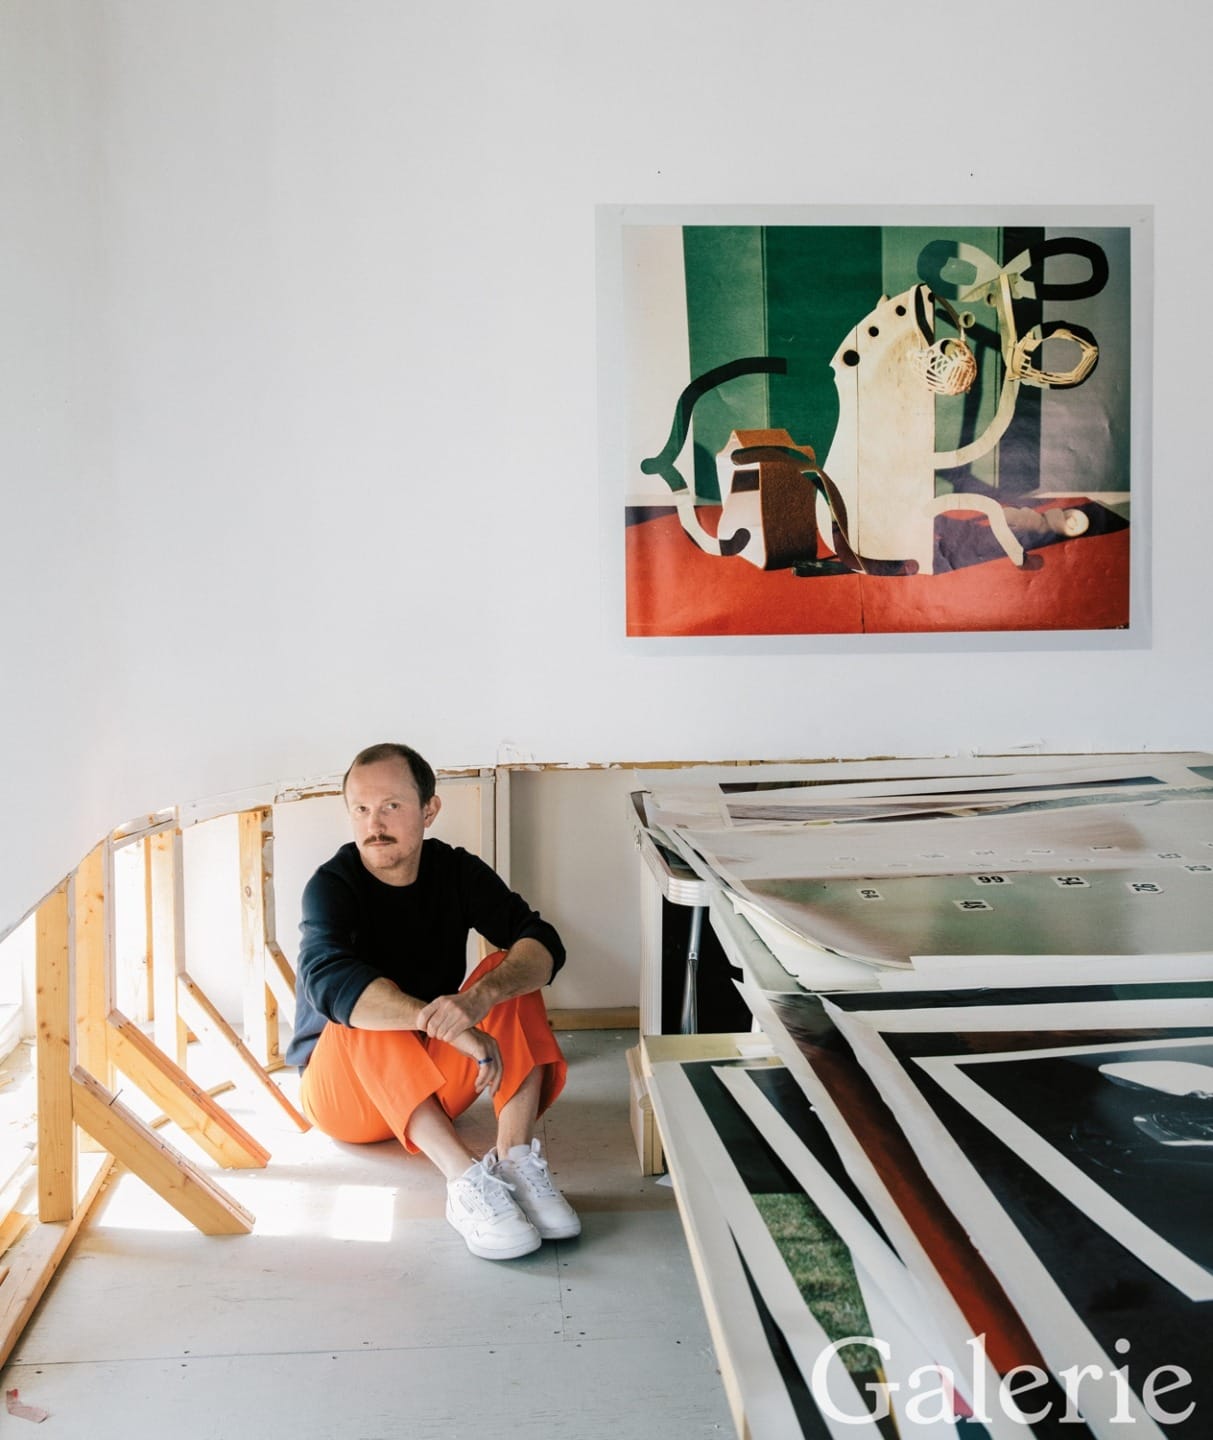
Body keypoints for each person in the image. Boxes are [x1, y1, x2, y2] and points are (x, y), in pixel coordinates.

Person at [286, 741, 579, 1260]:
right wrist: (446, 1021)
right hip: (345, 1097)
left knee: (506, 971)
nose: (374, 822)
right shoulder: (331, 885)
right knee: (361, 1002)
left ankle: (513, 1162)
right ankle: (466, 1181)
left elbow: (541, 939)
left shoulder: (455, 871)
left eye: (391, 805)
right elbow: (328, 980)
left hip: (434, 1082)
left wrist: (479, 999)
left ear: (429, 809)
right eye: (360, 808)